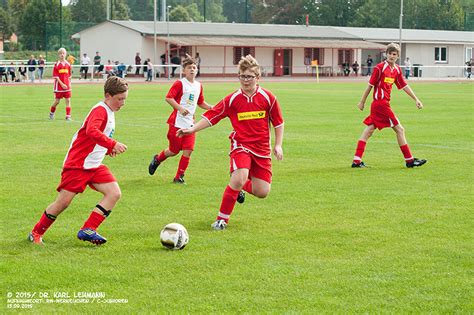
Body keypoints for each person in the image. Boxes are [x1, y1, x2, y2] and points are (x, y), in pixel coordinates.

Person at [176, 55, 284, 230]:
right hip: (241, 145)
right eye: (242, 76)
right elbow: (213, 116)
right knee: (240, 176)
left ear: (258, 78)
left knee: (262, 191)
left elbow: (278, 123)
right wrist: (192, 129)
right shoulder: (233, 99)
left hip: (262, 149)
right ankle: (221, 220)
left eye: (249, 76)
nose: (245, 80)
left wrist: (278, 145)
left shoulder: (268, 98)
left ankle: (240, 185)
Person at [28, 76, 129, 245]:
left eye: (125, 99)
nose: (123, 103)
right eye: (120, 99)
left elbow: (96, 138)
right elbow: (92, 131)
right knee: (63, 202)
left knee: (114, 193)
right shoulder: (101, 110)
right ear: (108, 95)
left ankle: (88, 230)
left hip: (94, 164)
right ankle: (36, 232)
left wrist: (107, 149)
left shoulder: (109, 111)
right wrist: (112, 143)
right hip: (78, 164)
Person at [351, 43, 426, 169]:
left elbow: (404, 86)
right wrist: (362, 101)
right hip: (380, 104)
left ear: (397, 56)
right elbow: (370, 85)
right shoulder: (379, 68)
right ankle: (409, 160)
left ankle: (356, 161)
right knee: (400, 129)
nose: (392, 56)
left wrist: (416, 99)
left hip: (382, 104)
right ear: (386, 54)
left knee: (369, 131)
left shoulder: (396, 70)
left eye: (394, 54)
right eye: (390, 53)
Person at [148, 55, 213, 183]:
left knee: (188, 150)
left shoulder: (199, 85)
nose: (192, 70)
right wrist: (180, 108)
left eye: (194, 67)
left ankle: (179, 177)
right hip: (176, 122)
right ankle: (157, 159)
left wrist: (212, 107)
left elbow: (200, 102)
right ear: (184, 70)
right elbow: (169, 97)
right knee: (173, 151)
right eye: (189, 68)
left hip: (190, 125)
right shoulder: (180, 83)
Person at [49, 48, 73, 121]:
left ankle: (68, 116)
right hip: (59, 86)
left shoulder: (68, 64)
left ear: (65, 54)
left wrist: (69, 84)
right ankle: (51, 113)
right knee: (57, 101)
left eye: (63, 53)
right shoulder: (57, 65)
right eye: (60, 53)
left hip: (67, 86)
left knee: (68, 100)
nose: (62, 54)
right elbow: (56, 77)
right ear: (58, 55)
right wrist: (62, 84)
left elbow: (69, 76)